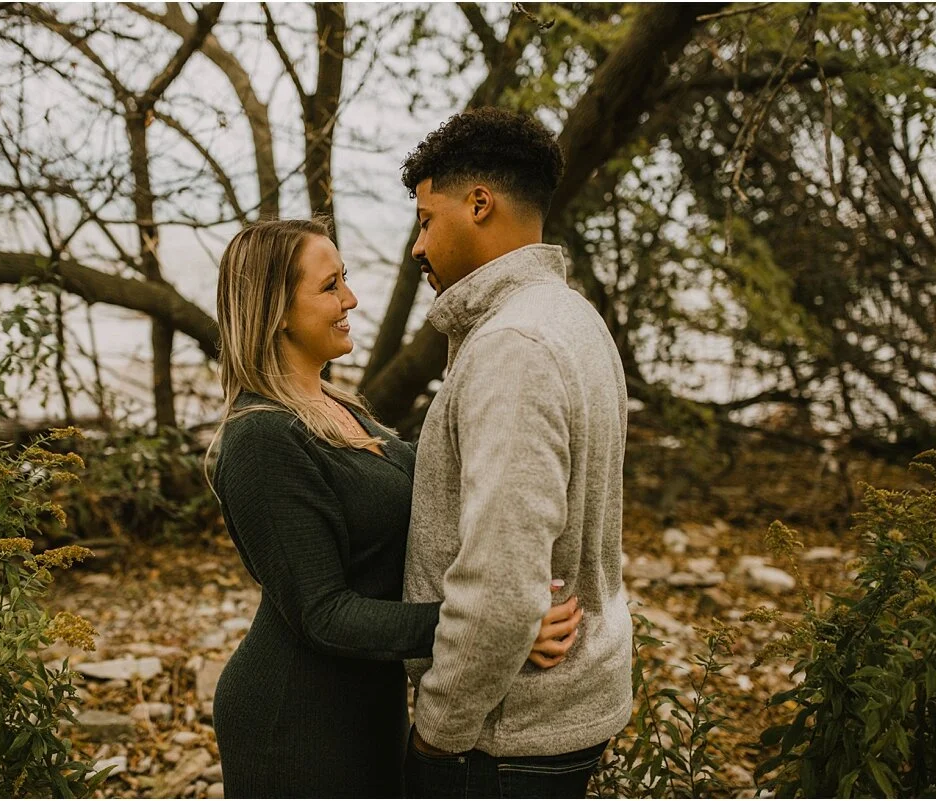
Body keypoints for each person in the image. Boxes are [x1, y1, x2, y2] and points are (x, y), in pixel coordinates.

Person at [208, 218, 583, 798]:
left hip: (368, 704)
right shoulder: (261, 439)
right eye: (330, 286)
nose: (350, 299)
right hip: (296, 723)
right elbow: (323, 613)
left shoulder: (342, 409)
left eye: (345, 279)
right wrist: (488, 626)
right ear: (277, 310)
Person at [399, 108, 633, 798]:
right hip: (552, 713)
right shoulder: (572, 318)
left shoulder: (513, 346)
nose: (417, 247)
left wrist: (437, 730)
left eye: (425, 221)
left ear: (479, 204)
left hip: (504, 736)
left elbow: (502, 582)